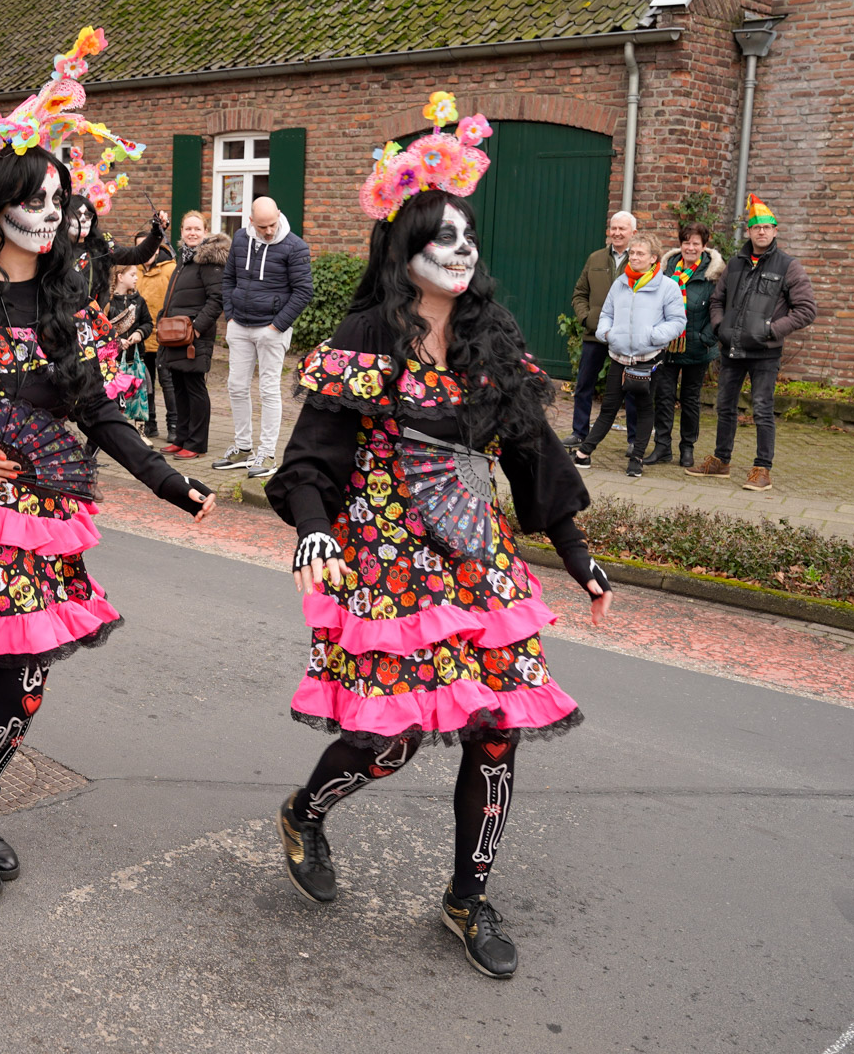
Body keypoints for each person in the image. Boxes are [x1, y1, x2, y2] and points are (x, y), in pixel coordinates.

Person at [268, 94, 611, 980]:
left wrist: (575, 550)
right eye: (441, 237)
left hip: (477, 565)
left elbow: (530, 451)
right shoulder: (365, 338)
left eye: (468, 237)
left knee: (496, 732)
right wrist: (313, 530)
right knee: (391, 740)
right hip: (386, 563)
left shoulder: (493, 338)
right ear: (403, 250)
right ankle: (306, 812)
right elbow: (311, 457)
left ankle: (468, 897)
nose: (461, 250)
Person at [0, 139, 216, 901]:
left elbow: (99, 411)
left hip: (43, 520)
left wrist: (166, 481)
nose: (50, 215)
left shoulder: (69, 306)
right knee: (18, 685)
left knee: (26, 684)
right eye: (34, 200)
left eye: (58, 201)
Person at [689, 194, 818, 491]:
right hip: (732, 349)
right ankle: (721, 462)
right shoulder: (735, 264)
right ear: (748, 231)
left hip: (765, 353)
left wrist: (770, 330)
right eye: (756, 227)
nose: (761, 231)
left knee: (762, 410)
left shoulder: (788, 266)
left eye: (767, 227)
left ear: (775, 230)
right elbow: (717, 300)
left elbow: (806, 309)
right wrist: (720, 326)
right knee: (724, 407)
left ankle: (762, 469)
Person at [216, 197, 314, 480]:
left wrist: (277, 326)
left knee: (269, 390)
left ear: (279, 215)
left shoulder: (295, 246)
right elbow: (228, 279)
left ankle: (268, 453)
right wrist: (230, 315)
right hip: (239, 325)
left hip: (271, 329)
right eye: (262, 226)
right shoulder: (239, 239)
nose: (269, 231)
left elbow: (303, 291)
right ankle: (243, 448)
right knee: (236, 386)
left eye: (272, 224)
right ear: (251, 221)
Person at [572, 234, 684, 477]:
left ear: (653, 258)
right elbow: (607, 314)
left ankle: (637, 459)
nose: (634, 257)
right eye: (632, 253)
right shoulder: (620, 283)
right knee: (608, 408)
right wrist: (607, 333)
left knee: (644, 408)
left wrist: (653, 336)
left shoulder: (668, 287)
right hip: (619, 357)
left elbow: (677, 321)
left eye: (640, 253)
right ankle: (583, 453)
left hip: (648, 360)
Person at [649, 223, 724, 468]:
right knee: (663, 397)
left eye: (695, 243)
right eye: (686, 242)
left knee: (690, 400)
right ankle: (662, 446)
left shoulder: (713, 275)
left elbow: (721, 308)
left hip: (697, 348)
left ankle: (687, 447)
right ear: (680, 244)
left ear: (704, 245)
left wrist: (706, 338)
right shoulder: (665, 271)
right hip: (668, 346)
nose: (690, 248)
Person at [158, 226, 229, 460]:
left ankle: (196, 443)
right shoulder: (184, 260)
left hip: (194, 337)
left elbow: (217, 299)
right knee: (179, 386)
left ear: (205, 231)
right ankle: (181, 438)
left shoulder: (209, 261)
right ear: (182, 232)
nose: (192, 232)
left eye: (197, 229)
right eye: (188, 228)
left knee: (195, 388)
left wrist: (197, 328)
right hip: (176, 334)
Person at [567, 211, 636, 445]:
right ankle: (579, 433)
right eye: (613, 228)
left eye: (622, 229)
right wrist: (587, 319)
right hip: (595, 333)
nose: (616, 233)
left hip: (626, 337)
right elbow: (580, 293)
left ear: (633, 232)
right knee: (584, 384)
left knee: (631, 388)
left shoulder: (639, 259)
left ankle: (634, 440)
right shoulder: (595, 258)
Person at [135, 215, 185, 442]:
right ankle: (150, 423)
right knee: (145, 383)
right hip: (141, 337)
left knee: (168, 383)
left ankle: (174, 425)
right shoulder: (133, 270)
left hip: (165, 336)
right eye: (139, 248)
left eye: (148, 246)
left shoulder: (170, 269)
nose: (144, 252)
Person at [105, 263, 152, 428]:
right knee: (116, 400)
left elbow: (148, 323)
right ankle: (116, 430)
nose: (136, 278)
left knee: (140, 397)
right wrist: (117, 341)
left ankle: (140, 432)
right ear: (120, 277)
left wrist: (140, 332)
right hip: (113, 362)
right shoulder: (107, 302)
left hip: (135, 359)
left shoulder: (139, 301)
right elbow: (100, 329)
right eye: (132, 275)